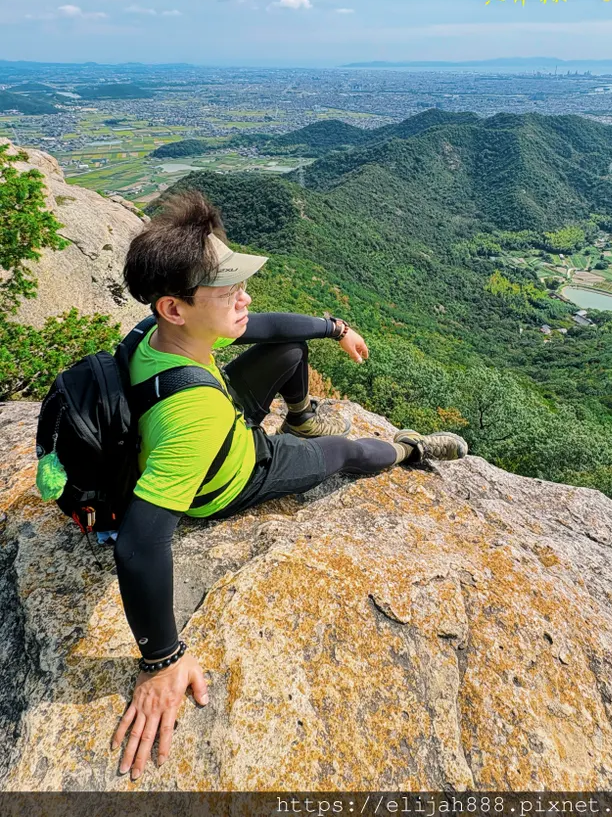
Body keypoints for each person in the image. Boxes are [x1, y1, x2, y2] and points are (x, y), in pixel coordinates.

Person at [111, 189, 468, 780]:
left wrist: (336, 327)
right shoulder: (193, 418)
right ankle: (409, 448)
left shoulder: (156, 337)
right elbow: (140, 544)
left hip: (220, 415)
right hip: (233, 472)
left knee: (289, 346)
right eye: (229, 292)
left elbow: (268, 327)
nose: (245, 299)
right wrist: (162, 661)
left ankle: (300, 412)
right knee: (344, 450)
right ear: (175, 306)